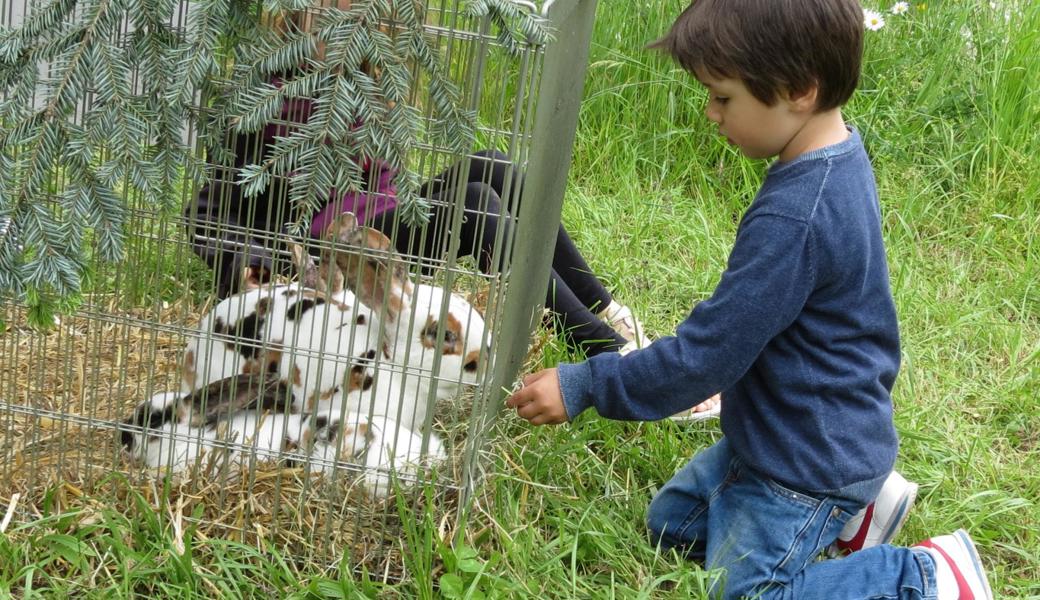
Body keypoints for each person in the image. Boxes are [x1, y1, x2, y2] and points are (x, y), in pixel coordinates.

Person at [507, 0, 992, 598]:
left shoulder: (797, 217)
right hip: (783, 433)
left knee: (746, 593)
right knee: (669, 528)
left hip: (807, 464)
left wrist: (586, 384)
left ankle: (924, 575)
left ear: (799, 90)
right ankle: (856, 512)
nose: (711, 113)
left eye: (723, 96)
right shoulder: (834, 155)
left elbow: (705, 357)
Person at [182, 7, 653, 358]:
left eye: (359, 19)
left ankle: (603, 306)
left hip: (391, 220)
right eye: (327, 16)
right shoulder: (264, 94)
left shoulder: (371, 81)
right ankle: (604, 349)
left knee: (494, 165)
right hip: (340, 248)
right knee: (473, 206)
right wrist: (249, 261)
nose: (342, 30)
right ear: (297, 14)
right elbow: (204, 210)